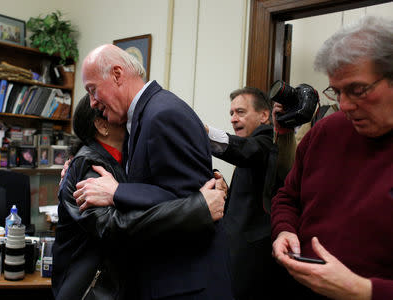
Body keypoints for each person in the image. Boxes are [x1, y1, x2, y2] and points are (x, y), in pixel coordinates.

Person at [75, 44, 233, 299]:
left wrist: (117, 192)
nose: (92, 102)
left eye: (93, 90)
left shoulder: (162, 113)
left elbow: (196, 204)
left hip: (185, 283)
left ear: (117, 75)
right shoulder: (144, 115)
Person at [53, 95, 227, 299]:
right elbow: (114, 227)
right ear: (102, 125)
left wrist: (216, 181)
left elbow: (166, 181)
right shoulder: (89, 166)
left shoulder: (125, 156)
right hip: (93, 291)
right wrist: (197, 210)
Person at [271, 15, 393, 300]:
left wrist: (365, 291)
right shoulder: (326, 131)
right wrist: (284, 230)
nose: (345, 105)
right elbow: (288, 197)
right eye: (337, 92)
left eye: (358, 90)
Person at [205, 87, 292, 299]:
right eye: (231, 113)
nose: (234, 119)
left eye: (241, 112)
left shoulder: (267, 141)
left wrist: (205, 134)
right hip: (236, 256)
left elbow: (247, 151)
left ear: (264, 115)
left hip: (254, 261)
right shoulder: (252, 142)